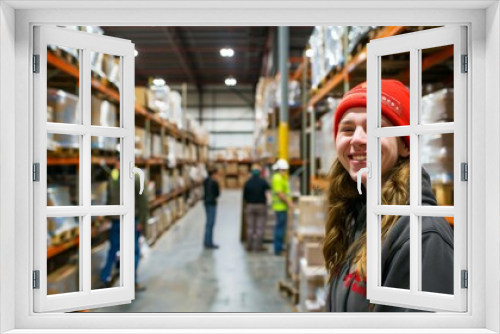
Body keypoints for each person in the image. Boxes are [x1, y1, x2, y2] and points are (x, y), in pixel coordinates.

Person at [323, 80, 454, 312]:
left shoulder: (422, 236)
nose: (358, 139)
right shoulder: (358, 216)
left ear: (406, 146)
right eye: (347, 129)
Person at [100, 160, 149, 291]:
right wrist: (142, 222)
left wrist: (107, 217)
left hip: (116, 219)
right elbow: (143, 200)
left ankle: (105, 278)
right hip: (129, 220)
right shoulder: (136, 175)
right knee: (132, 252)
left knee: (114, 249)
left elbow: (109, 199)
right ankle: (130, 283)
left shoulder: (113, 176)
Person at [243, 163, 271, 252]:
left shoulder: (247, 182)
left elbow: (244, 196)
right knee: (260, 227)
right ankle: (258, 246)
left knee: (250, 227)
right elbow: (269, 188)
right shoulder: (263, 181)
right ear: (259, 172)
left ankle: (249, 246)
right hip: (261, 206)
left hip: (250, 205)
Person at [271, 159, 293, 255]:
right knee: (280, 228)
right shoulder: (277, 178)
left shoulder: (282, 177)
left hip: (282, 207)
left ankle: (279, 247)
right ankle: (278, 249)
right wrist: (289, 202)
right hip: (280, 207)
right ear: (279, 169)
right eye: (283, 169)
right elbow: (280, 193)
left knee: (281, 228)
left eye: (285, 169)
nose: (284, 171)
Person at [203, 166, 220, 249]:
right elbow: (217, 194)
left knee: (208, 223)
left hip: (206, 203)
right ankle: (209, 243)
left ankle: (206, 241)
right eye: (217, 174)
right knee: (211, 223)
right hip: (212, 203)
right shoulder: (214, 182)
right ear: (213, 174)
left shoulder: (205, 180)